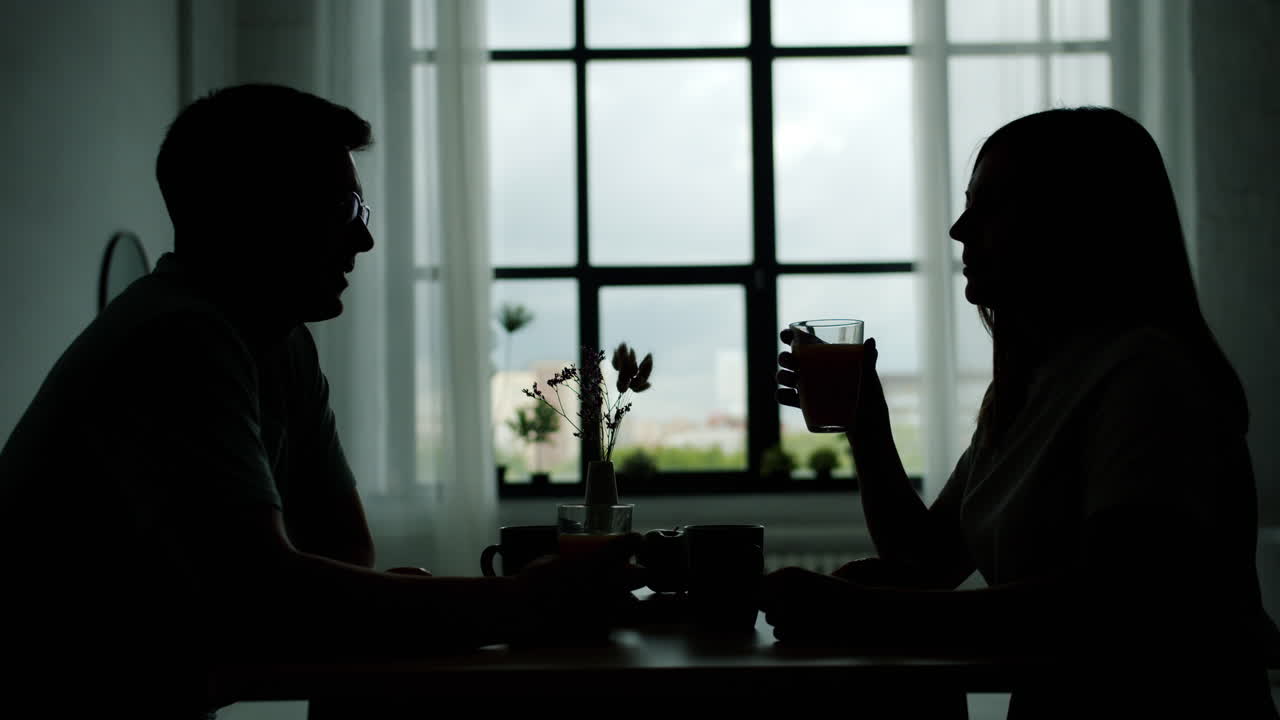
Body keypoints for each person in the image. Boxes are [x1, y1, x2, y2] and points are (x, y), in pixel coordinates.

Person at [0, 84, 638, 718]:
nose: (364, 241)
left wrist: (365, 600)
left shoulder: (280, 344)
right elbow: (274, 595)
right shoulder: (178, 338)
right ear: (252, 209)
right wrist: (523, 602)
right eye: (344, 208)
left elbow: (340, 555)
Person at [765, 107, 1278, 718]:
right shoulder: (1036, 385)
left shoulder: (1148, 377)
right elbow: (926, 561)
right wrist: (866, 425)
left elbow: (1109, 604)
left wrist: (862, 611)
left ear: (1076, 221)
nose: (959, 229)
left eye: (990, 206)